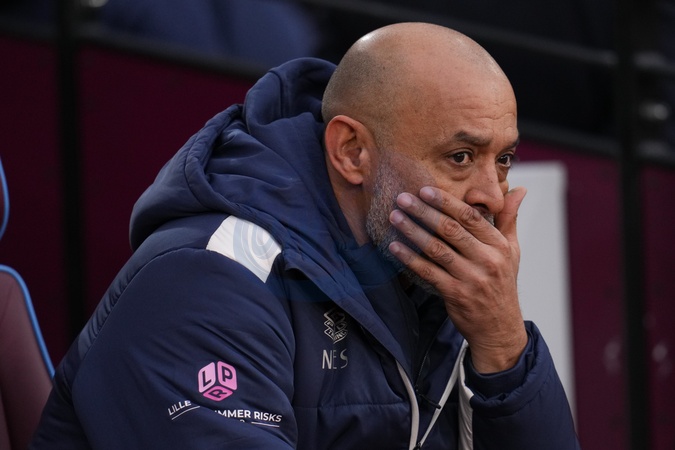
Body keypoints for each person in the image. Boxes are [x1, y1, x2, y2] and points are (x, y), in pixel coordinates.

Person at [31, 22, 580, 449]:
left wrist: (503, 344)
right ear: (352, 153)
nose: (491, 195)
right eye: (460, 157)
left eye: (503, 159)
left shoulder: (434, 281)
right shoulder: (208, 277)